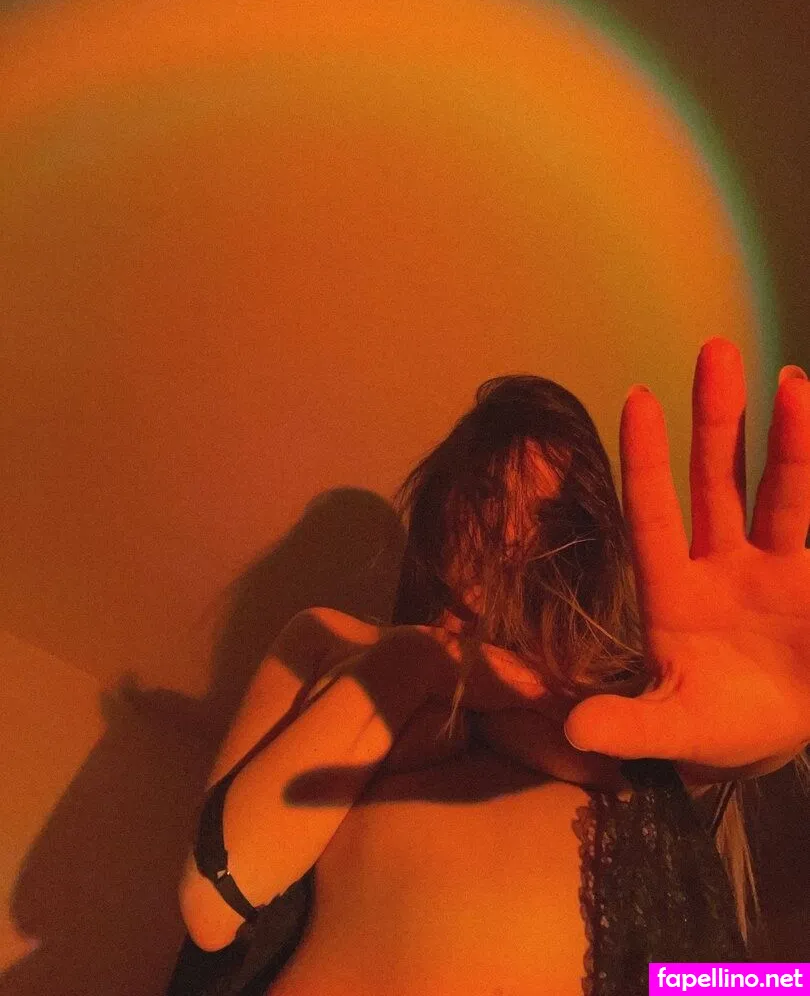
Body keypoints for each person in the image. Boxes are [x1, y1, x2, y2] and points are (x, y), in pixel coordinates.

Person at [172, 336, 810, 995]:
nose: (507, 534)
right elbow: (213, 904)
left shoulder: (618, 705)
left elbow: (713, 972)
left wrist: (786, 979)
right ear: (442, 496)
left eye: (546, 515)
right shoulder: (332, 642)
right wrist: (420, 659)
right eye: (486, 494)